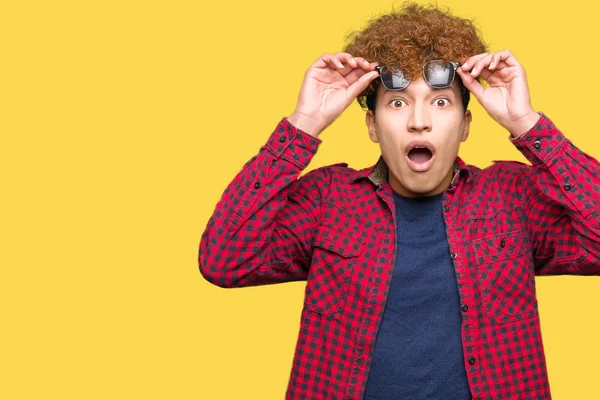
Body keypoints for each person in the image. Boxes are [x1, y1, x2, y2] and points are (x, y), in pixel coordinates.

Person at [198, 2, 600, 399]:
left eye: (441, 102)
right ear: (372, 125)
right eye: (397, 102)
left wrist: (526, 123)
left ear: (465, 126)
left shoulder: (512, 198)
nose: (418, 120)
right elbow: (224, 260)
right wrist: (305, 123)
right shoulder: (328, 200)